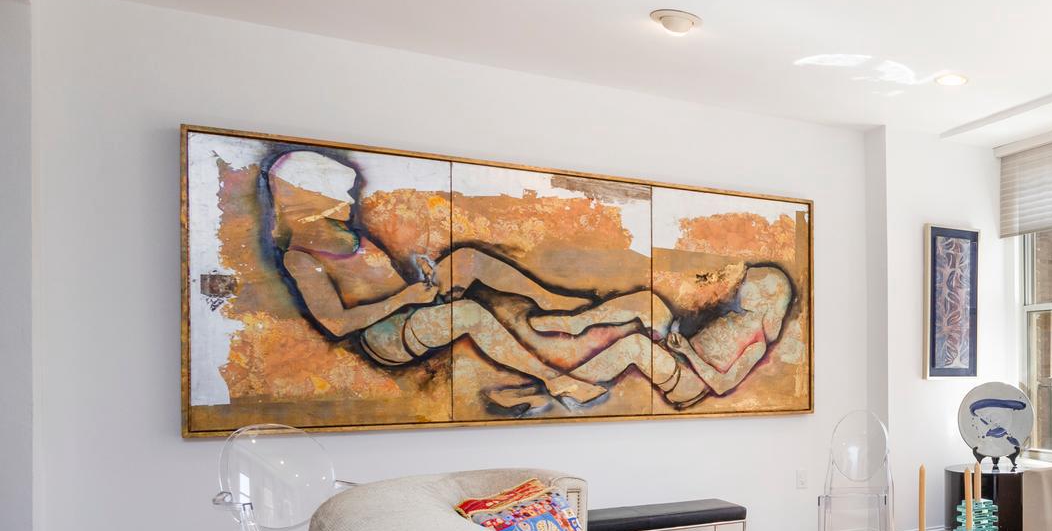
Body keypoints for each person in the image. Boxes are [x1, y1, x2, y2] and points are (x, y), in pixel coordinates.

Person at [264, 150, 609, 407]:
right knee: (470, 314)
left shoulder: (346, 234)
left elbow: (381, 283)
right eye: (339, 192)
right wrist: (406, 299)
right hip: (382, 337)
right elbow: (335, 323)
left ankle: (555, 305)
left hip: (409, 309)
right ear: (311, 198)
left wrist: (420, 282)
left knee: (466, 258)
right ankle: (557, 381)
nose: (349, 200)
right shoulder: (301, 257)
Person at [529, 264, 796, 409]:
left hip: (689, 383)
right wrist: (680, 342)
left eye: (753, 285)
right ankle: (573, 321)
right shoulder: (739, 317)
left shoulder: (758, 344)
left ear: (768, 298)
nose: (743, 287)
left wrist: (688, 353)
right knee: (650, 301)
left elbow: (722, 384)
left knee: (636, 346)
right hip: (682, 357)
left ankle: (568, 384)